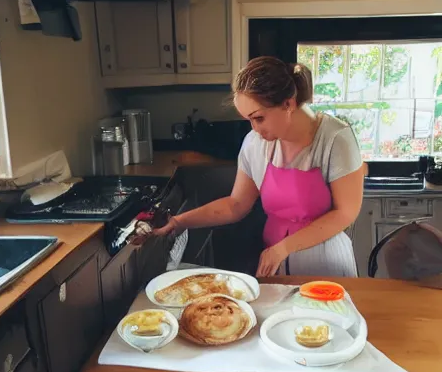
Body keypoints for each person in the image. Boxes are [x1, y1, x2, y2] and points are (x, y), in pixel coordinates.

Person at [155, 56, 364, 278]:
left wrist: (285, 247)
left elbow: (345, 213)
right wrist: (179, 222)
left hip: (326, 266)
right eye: (249, 120)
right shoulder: (255, 145)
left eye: (259, 118)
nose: (254, 129)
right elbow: (236, 205)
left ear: (288, 104)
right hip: (275, 264)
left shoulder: (335, 139)